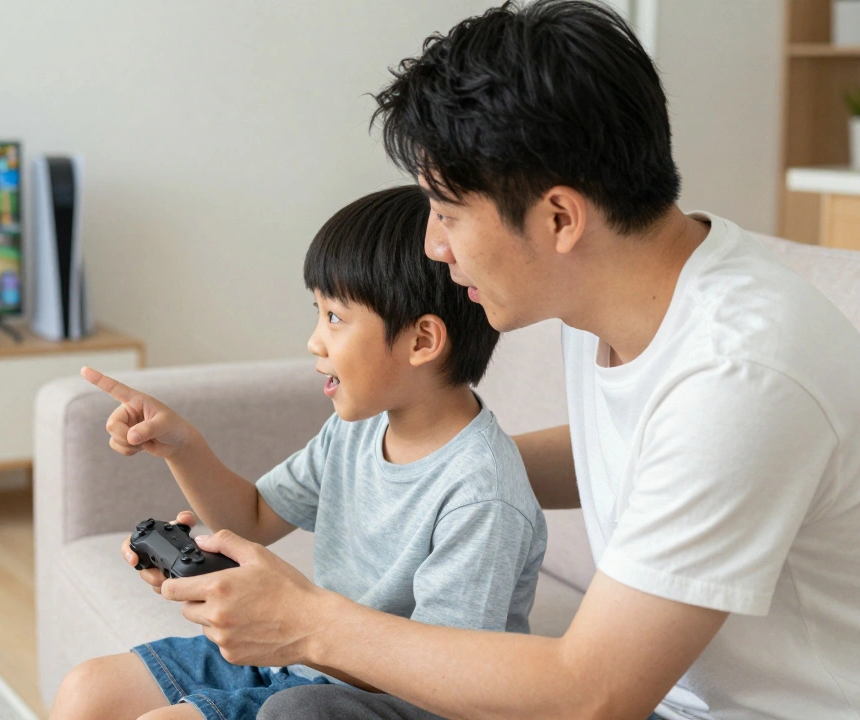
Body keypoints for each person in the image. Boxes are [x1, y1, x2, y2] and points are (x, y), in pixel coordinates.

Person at [130, 2, 860, 719]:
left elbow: (592, 695)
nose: (434, 245)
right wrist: (438, 472)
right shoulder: (626, 284)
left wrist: (308, 620)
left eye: (448, 212)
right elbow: (643, 451)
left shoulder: (742, 372)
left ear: (560, 218)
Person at [49, 185, 548, 720]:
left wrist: (293, 629)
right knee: (87, 691)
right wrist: (183, 447)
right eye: (318, 312)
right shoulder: (355, 432)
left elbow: (444, 675)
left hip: (393, 697)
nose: (314, 340)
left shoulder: (481, 495)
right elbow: (255, 518)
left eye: (335, 317)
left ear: (422, 341)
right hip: (300, 656)